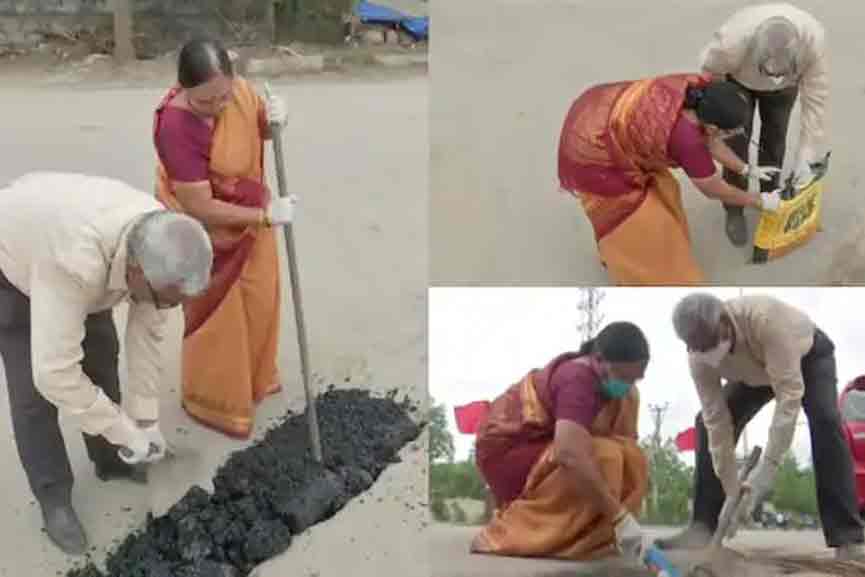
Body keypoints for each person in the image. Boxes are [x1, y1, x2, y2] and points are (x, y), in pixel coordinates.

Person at [0, 172, 214, 555]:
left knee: (102, 352)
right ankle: (53, 497)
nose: (168, 309)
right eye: (164, 299)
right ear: (135, 273)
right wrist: (124, 429)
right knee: (34, 392)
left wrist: (145, 422)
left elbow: (147, 335)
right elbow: (55, 374)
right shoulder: (76, 262)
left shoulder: (163, 240)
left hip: (74, 251)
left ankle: (110, 459)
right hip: (15, 267)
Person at [153, 38, 295, 438]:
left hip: (251, 218)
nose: (218, 106)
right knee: (220, 320)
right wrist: (265, 216)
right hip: (207, 236)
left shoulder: (239, 93)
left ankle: (256, 379)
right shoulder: (175, 126)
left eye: (224, 96)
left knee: (260, 302)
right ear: (183, 90)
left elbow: (257, 125)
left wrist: (275, 120)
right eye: (205, 101)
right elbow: (199, 205)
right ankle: (215, 402)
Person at [660, 293, 865, 561]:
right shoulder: (699, 356)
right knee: (703, 423)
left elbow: (788, 402)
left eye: (710, 343)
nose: (707, 353)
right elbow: (716, 420)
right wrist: (733, 489)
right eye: (697, 347)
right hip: (754, 374)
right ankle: (702, 528)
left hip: (806, 356)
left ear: (724, 318)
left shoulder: (766, 321)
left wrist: (764, 472)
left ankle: (847, 536)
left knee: (826, 419)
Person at [558, 74, 782, 286]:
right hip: (595, 155)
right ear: (714, 127)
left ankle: (617, 251)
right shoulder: (688, 141)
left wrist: (746, 168)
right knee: (645, 232)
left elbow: (711, 140)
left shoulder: (698, 91)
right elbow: (713, 188)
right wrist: (758, 200)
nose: (739, 133)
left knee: (666, 190)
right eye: (734, 131)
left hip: (601, 108)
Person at [470, 322, 651, 562]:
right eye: (623, 377)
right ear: (598, 359)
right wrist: (619, 517)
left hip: (549, 449)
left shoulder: (624, 393)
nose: (627, 385)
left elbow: (627, 444)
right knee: (605, 457)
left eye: (634, 379)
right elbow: (569, 453)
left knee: (632, 457)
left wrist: (630, 520)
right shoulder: (577, 379)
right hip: (510, 454)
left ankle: (600, 536)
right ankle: (520, 531)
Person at [699, 3, 828, 246]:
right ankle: (735, 207)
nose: (773, 78)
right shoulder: (731, 42)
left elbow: (816, 97)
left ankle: (771, 195)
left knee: (775, 140)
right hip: (739, 83)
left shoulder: (814, 42)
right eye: (769, 72)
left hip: (784, 92)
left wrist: (806, 153)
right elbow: (709, 73)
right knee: (735, 144)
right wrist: (719, 114)